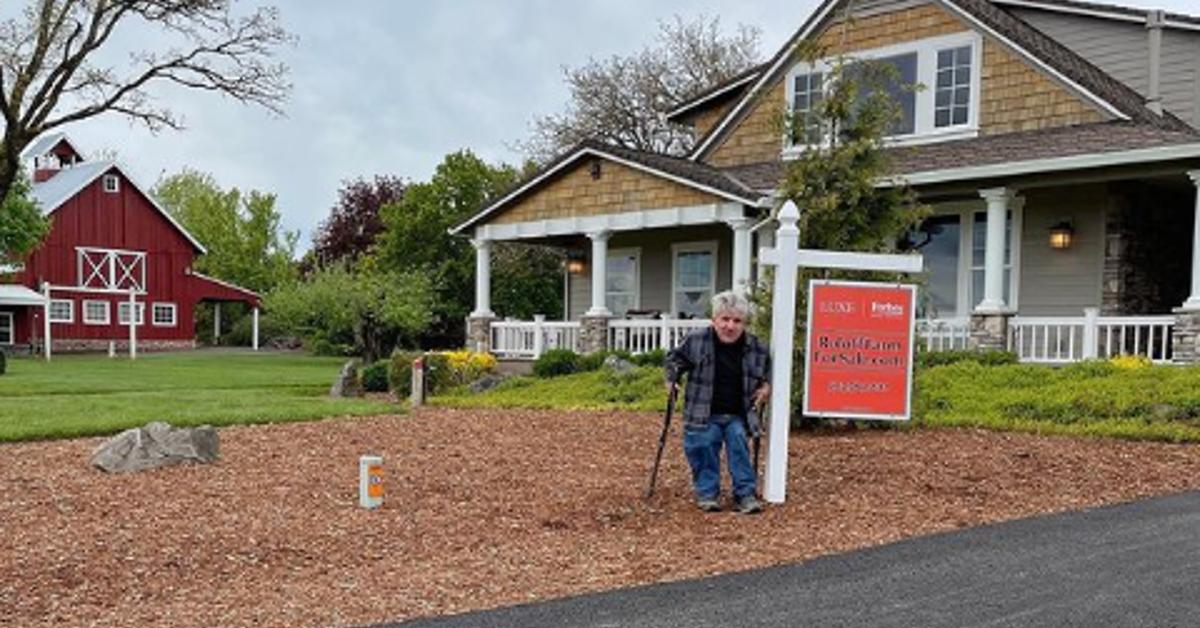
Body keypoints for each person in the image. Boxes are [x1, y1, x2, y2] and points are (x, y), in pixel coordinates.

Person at [665, 290, 771, 514]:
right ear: (714, 320)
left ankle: (745, 495)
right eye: (725, 319)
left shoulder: (757, 347)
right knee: (702, 446)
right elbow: (674, 360)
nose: (730, 326)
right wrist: (671, 380)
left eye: (737, 321)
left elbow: (767, 372)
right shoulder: (696, 340)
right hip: (703, 412)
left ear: (744, 323)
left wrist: (766, 386)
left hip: (738, 413)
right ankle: (707, 493)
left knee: (739, 446)